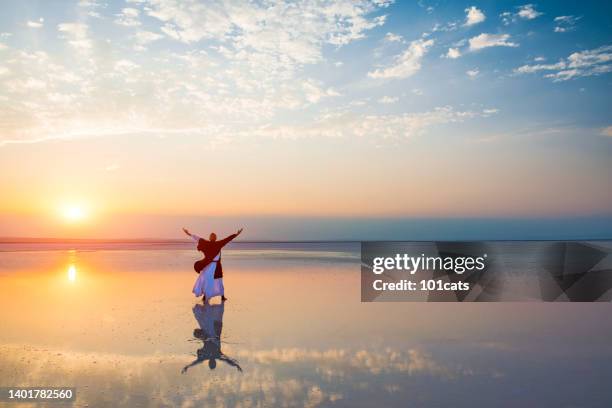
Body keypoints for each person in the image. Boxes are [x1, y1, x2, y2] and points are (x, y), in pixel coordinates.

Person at [183, 226, 243, 303]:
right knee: (207, 280)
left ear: (215, 238)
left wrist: (236, 234)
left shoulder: (219, 243)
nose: (213, 237)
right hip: (209, 265)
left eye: (214, 236)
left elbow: (227, 239)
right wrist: (189, 234)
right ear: (210, 238)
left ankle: (222, 296)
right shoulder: (206, 243)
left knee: (219, 280)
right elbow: (197, 238)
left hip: (217, 266)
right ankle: (205, 296)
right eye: (212, 236)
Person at [181, 303, 242, 373]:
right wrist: (235, 365)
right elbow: (227, 360)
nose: (211, 362)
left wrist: (188, 366)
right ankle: (209, 304)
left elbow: (197, 362)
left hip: (209, 335)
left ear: (210, 362)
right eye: (212, 363)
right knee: (212, 322)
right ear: (213, 362)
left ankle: (208, 304)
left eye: (211, 363)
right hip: (213, 334)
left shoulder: (214, 356)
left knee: (207, 325)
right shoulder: (217, 355)